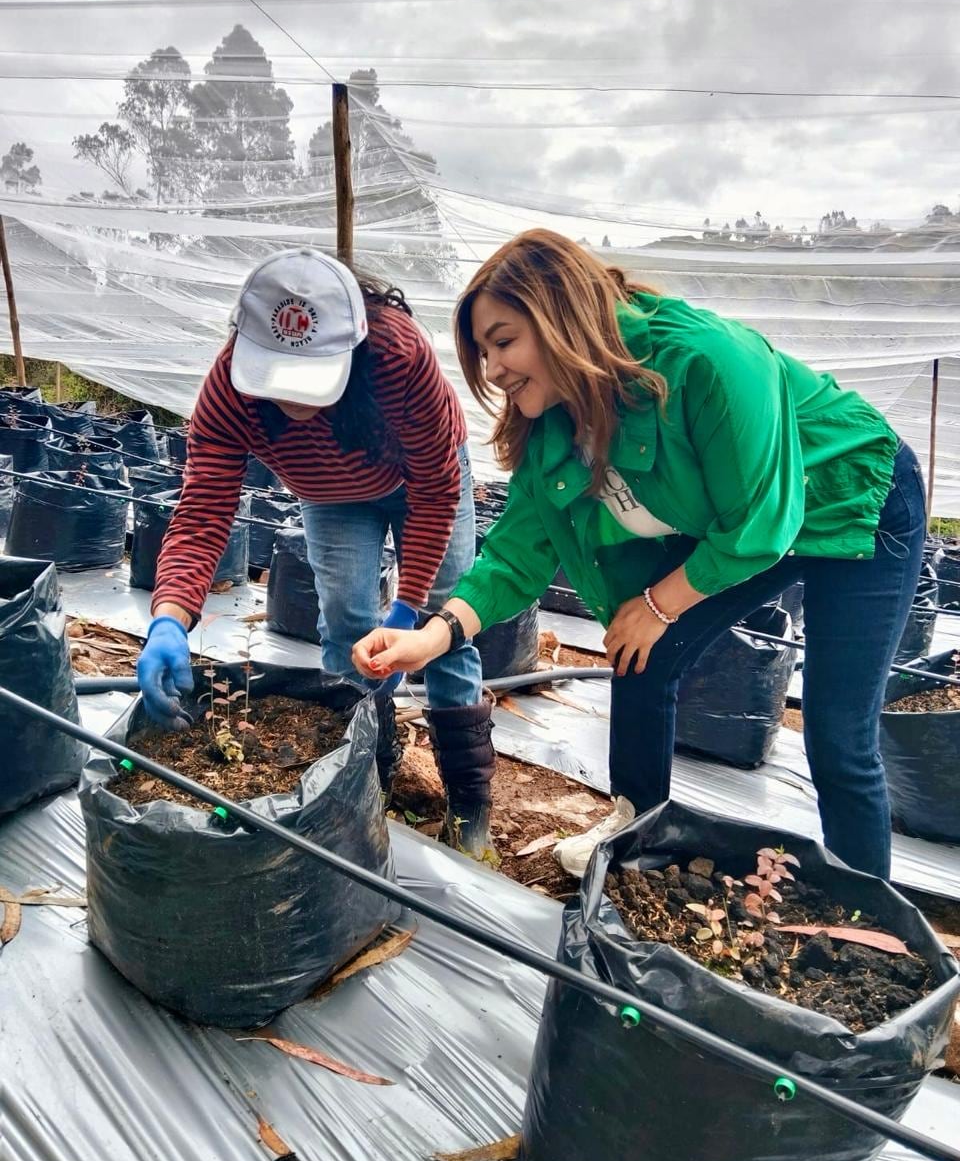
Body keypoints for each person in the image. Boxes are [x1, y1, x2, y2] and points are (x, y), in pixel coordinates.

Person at [352, 229, 926, 881]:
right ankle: (637, 830)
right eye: (483, 352)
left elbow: (761, 523)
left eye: (504, 341)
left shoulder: (707, 361)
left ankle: (870, 917)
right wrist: (432, 638)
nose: (492, 371)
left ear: (560, 316)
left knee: (837, 735)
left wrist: (660, 602)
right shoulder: (552, 426)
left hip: (855, 502)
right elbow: (515, 555)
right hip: (739, 530)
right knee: (637, 651)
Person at [135, 247, 497, 859]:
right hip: (329, 496)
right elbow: (202, 510)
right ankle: (365, 778)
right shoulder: (229, 390)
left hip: (421, 481)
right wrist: (169, 616)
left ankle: (468, 806)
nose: (293, 404)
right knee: (348, 626)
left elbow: (437, 491)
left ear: (351, 351)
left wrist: (409, 608)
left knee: (446, 621)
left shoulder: (397, 357)